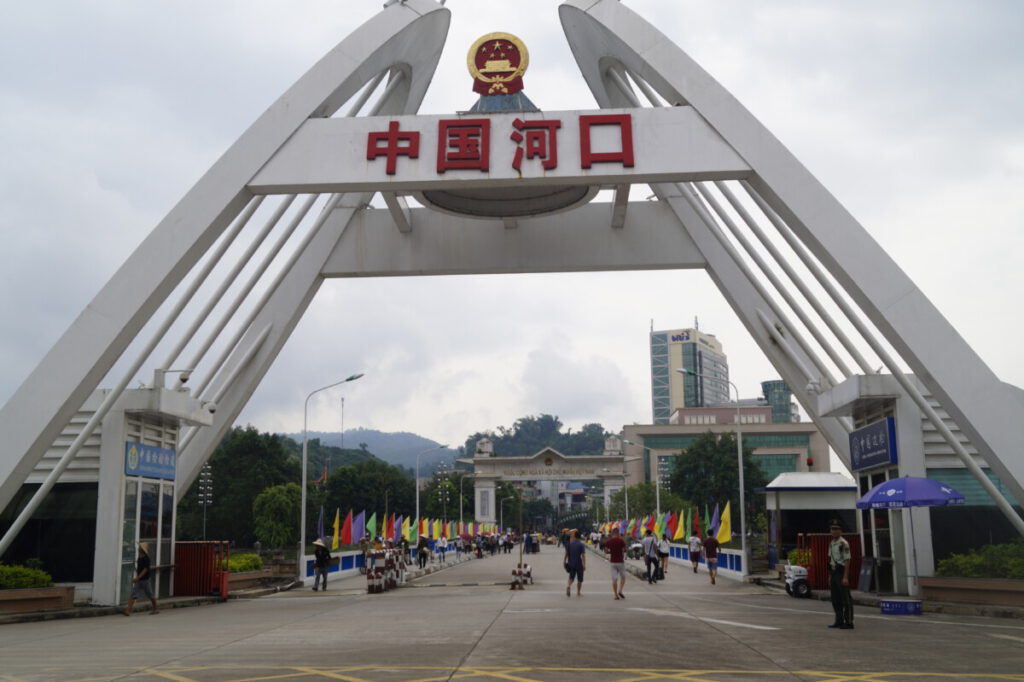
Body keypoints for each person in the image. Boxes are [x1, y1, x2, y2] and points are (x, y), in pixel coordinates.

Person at [828, 519, 854, 629]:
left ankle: (848, 621)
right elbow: (831, 560)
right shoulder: (832, 543)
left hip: (842, 571)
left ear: (841, 531)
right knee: (835, 598)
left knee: (845, 598)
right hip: (834, 571)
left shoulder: (844, 543)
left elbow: (847, 560)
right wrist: (830, 576)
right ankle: (838, 620)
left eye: (836, 529)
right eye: (832, 529)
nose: (834, 531)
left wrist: (845, 577)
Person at [123, 542, 159, 615]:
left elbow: (145, 569)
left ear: (142, 549)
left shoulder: (146, 558)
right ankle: (128, 610)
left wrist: (138, 577)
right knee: (133, 595)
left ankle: (155, 609)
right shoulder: (139, 558)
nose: (138, 548)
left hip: (145, 580)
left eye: (139, 547)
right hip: (139, 580)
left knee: (150, 595)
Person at [603, 526, 627, 600]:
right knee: (623, 577)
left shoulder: (609, 541)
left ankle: (615, 595)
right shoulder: (621, 541)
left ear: (612, 533)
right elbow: (625, 550)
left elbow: (606, 551)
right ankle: (620, 590)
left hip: (612, 562)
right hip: (620, 561)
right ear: (618, 533)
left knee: (614, 579)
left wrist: (611, 551)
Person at [563, 529, 586, 597]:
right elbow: (583, 556)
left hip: (571, 564)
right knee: (580, 579)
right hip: (579, 564)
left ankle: (569, 586)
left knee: (571, 577)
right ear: (579, 537)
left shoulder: (570, 544)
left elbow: (566, 553)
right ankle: (578, 592)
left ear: (574, 536)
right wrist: (584, 564)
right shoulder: (581, 545)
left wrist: (564, 561)